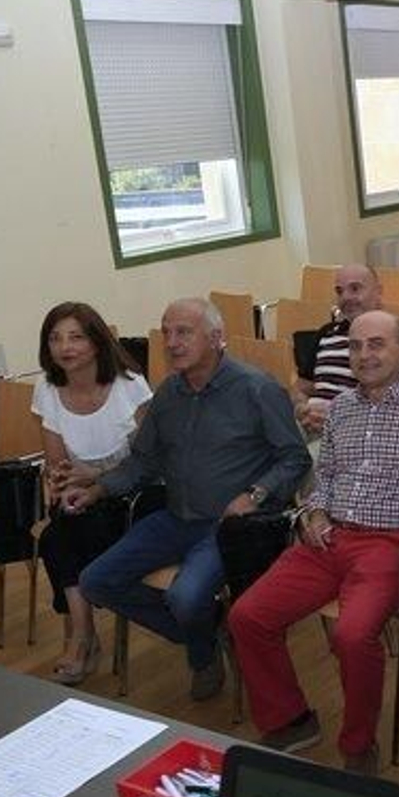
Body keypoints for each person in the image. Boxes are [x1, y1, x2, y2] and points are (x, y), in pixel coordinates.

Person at [228, 311, 399, 776]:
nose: (364, 356)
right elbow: (325, 474)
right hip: (327, 537)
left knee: (353, 635)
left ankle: (358, 743)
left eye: (376, 344)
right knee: (247, 616)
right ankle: (291, 719)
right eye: (355, 346)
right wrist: (313, 510)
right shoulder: (343, 408)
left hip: (390, 545)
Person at [70, 299, 310, 700]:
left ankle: (201, 653)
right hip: (176, 517)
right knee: (96, 581)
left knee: (185, 596)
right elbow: (143, 462)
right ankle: (210, 631)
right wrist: (98, 489)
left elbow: (295, 457)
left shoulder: (257, 388)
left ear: (216, 339)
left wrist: (256, 494)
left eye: (184, 332)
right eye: (166, 333)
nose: (172, 342)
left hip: (228, 527)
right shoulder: (169, 394)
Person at [31, 302, 153, 685]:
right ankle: (84, 636)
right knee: (62, 527)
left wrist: (97, 478)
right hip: (81, 497)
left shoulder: (130, 386)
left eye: (75, 337)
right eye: (55, 338)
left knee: (58, 538)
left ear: (97, 342)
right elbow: (57, 463)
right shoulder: (47, 387)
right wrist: (64, 483)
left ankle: (81, 639)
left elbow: (148, 463)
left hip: (130, 495)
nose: (64, 346)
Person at [294, 264, 399, 433]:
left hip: (360, 431)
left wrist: (338, 417)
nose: (346, 297)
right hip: (310, 427)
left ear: (378, 292)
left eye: (355, 288)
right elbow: (301, 387)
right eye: (339, 291)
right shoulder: (326, 333)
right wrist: (301, 408)